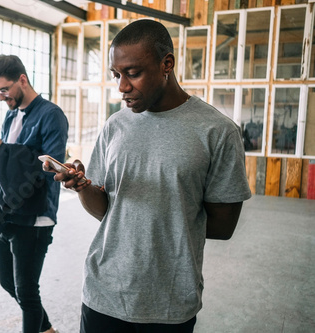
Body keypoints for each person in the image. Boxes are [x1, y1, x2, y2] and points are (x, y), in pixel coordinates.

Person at [44, 19, 252, 332]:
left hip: (169, 304)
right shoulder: (116, 125)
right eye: (116, 75)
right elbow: (106, 211)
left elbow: (223, 227)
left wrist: (167, 207)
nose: (122, 87)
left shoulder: (217, 131)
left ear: (166, 63)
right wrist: (83, 186)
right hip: (103, 293)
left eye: (133, 72)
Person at [0, 55, 68, 333]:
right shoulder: (11, 114)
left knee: (27, 292)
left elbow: (50, 166)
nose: (2, 97)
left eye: (4, 89)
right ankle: (48, 329)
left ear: (23, 80)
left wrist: (3, 152)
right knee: (8, 282)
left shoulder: (51, 115)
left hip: (35, 216)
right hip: (8, 210)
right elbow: (11, 167)